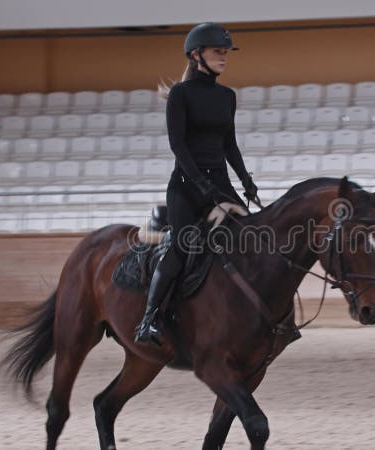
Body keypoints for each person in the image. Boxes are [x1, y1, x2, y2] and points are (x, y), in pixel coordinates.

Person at [134, 22, 259, 345]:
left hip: (220, 185)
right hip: (186, 186)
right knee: (182, 243)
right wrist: (201, 186)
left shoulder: (227, 96)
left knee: (251, 238)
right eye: (218, 51)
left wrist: (246, 182)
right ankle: (149, 319)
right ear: (196, 55)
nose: (224, 57)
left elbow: (229, 145)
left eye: (226, 52)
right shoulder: (180, 94)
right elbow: (178, 145)